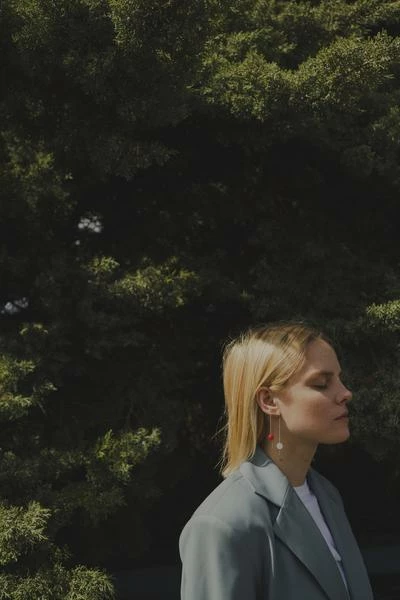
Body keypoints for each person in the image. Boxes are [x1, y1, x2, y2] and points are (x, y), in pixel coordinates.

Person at [179, 321, 374, 599]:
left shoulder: (327, 496)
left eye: (339, 379)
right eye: (321, 383)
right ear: (269, 401)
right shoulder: (223, 524)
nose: (345, 393)